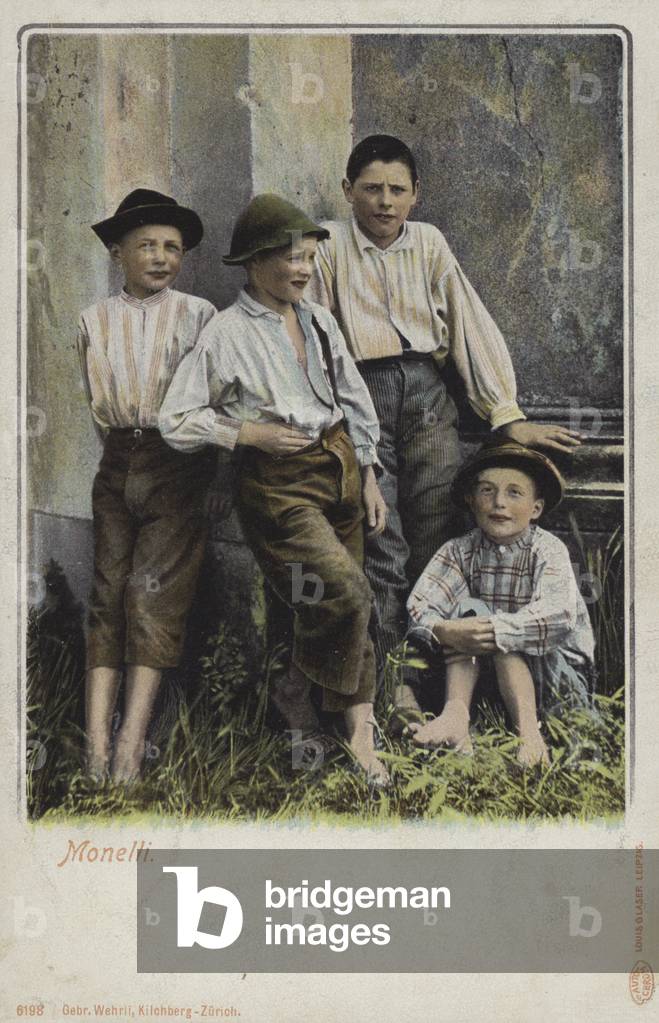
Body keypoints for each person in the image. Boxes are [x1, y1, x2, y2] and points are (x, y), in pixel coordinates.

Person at [306, 134, 581, 728]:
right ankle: (393, 683)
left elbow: (465, 322)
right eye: (372, 188)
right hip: (362, 391)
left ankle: (442, 683)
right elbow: (319, 345)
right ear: (348, 190)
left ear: (415, 194)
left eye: (397, 190)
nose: (384, 202)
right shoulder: (325, 246)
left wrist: (505, 412)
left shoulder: (428, 242)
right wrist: (341, 426)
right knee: (382, 537)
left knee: (436, 531)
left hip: (429, 392)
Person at [159, 194, 389, 786]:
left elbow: (354, 398)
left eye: (310, 257)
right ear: (255, 262)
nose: (304, 269)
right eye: (291, 257)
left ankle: (357, 734)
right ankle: (292, 693)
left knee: (335, 603)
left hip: (337, 464)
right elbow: (176, 419)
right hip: (278, 485)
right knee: (347, 594)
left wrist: (367, 474)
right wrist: (248, 432)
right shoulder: (226, 332)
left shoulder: (317, 319)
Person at [78, 188, 226, 781]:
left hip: (178, 463)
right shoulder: (93, 321)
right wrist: (121, 456)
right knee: (108, 594)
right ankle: (93, 745)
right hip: (118, 460)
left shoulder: (199, 316)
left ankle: (131, 747)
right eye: (146, 245)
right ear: (118, 252)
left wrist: (204, 471)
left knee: (152, 599)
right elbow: (96, 404)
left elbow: (212, 399)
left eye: (172, 247)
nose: (161, 257)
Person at [406, 442, 596, 767]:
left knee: (503, 633)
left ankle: (530, 738)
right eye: (487, 491)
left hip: (555, 679)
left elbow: (558, 615)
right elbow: (421, 607)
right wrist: (444, 628)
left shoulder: (547, 551)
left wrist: (493, 630)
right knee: (469, 615)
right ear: (471, 500)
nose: (499, 504)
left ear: (535, 509)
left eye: (514, 493)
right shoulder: (459, 551)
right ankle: (456, 717)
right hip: (486, 678)